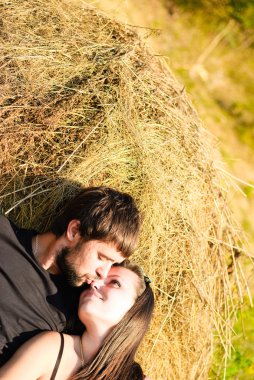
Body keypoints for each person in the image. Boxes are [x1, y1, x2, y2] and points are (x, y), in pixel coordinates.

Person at [0, 186, 140, 365]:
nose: (103, 273)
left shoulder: (78, 306)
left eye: (112, 264)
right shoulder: (3, 235)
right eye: (102, 258)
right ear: (74, 231)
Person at [0, 261, 154, 380]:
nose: (94, 283)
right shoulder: (51, 349)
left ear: (136, 309)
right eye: (97, 278)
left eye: (115, 283)